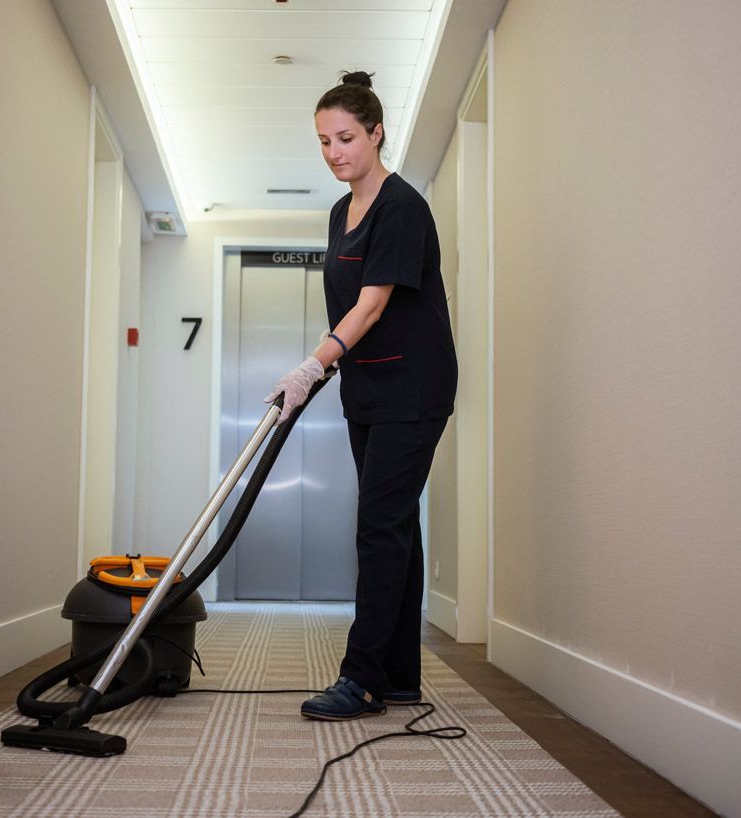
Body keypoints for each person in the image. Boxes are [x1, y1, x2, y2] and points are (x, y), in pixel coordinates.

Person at [264, 71, 458, 720]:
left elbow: (373, 304)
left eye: (345, 137)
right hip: (369, 386)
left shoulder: (401, 207)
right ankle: (400, 677)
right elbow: (347, 305)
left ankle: (363, 679)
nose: (334, 152)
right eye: (323, 141)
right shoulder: (338, 213)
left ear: (377, 133)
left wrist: (311, 366)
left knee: (378, 527)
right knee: (394, 524)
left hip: (414, 385)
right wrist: (328, 369)